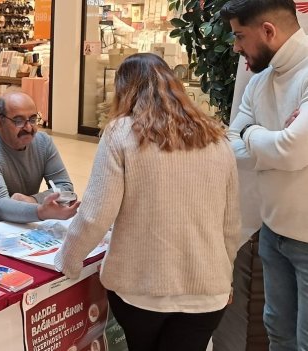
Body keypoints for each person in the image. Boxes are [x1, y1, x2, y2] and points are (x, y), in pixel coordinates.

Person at [54, 53, 241, 351]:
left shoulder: (121, 133)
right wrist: (225, 275)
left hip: (142, 290)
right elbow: (231, 225)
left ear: (124, 90)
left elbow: (96, 214)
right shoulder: (217, 138)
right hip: (207, 291)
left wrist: (68, 259)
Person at [221, 1, 308, 349]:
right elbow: (231, 144)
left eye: (240, 36)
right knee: (277, 331)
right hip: (273, 232)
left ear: (268, 30)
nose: (236, 47)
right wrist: (275, 142)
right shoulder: (260, 82)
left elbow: (291, 151)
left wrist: (254, 134)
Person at [0, 91, 79, 233]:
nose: (29, 128)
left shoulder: (43, 143)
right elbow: (0, 205)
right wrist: (41, 211)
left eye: (32, 119)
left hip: (14, 224)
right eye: (19, 121)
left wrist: (33, 200)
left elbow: (65, 186)